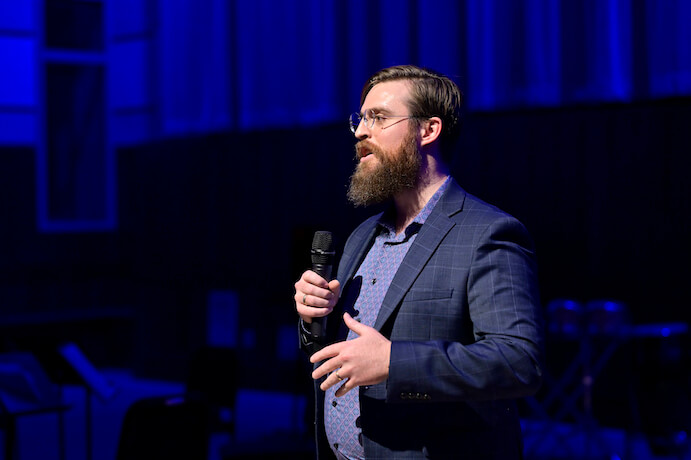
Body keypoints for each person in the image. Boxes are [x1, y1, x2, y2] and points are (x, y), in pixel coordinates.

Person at [294, 65, 543, 459]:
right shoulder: (362, 235)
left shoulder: (488, 233)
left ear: (428, 131)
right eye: (359, 118)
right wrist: (314, 317)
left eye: (378, 117)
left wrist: (395, 362)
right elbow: (336, 356)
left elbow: (518, 361)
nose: (360, 131)